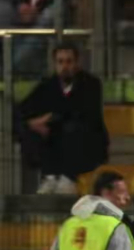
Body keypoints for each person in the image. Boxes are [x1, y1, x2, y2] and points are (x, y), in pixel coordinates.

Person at [18, 42, 109, 195]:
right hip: (55, 139)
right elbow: (24, 108)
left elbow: (81, 112)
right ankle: (50, 177)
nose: (64, 66)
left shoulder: (91, 84)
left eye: (69, 61)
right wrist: (32, 122)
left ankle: (68, 178)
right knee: (33, 130)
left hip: (86, 140)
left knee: (71, 128)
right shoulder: (48, 85)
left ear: (77, 63)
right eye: (60, 62)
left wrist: (49, 118)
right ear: (55, 64)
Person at [44, 172, 134, 250]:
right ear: (106, 193)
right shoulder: (115, 228)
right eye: (122, 192)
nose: (127, 197)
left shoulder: (68, 226)